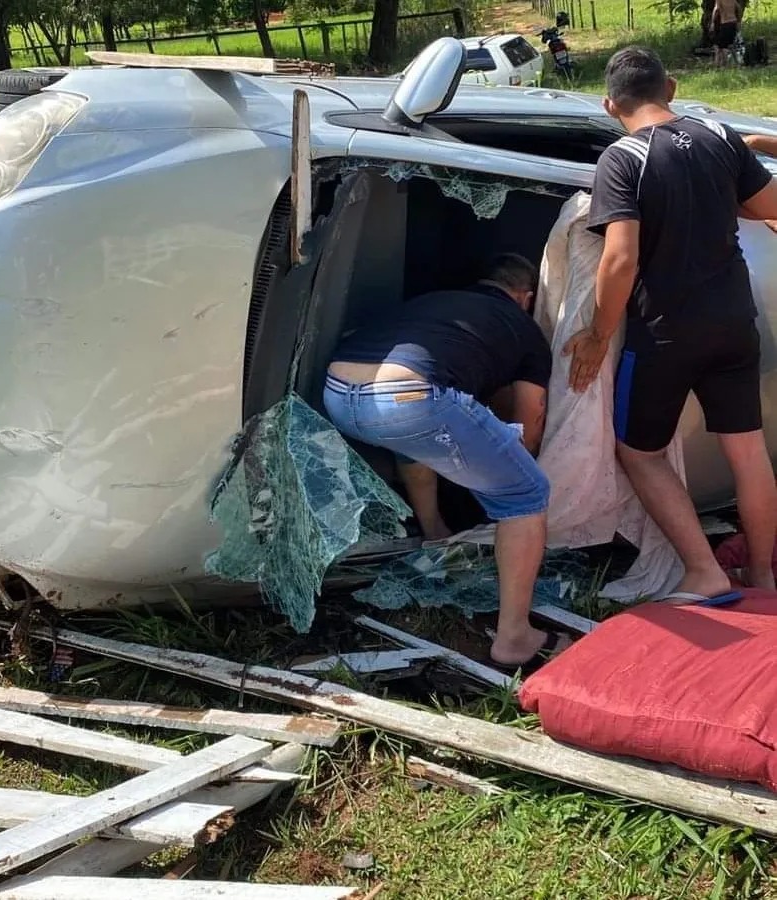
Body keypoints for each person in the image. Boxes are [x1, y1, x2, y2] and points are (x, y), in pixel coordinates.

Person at [565, 46, 777, 602]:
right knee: (748, 452)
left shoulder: (622, 158)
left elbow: (619, 259)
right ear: (673, 88)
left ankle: (703, 570)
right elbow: (769, 202)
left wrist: (597, 334)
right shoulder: (720, 138)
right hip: (735, 321)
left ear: (611, 105)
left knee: (639, 453)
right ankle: (761, 573)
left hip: (665, 334)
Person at [323, 254, 570, 671]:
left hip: (339, 393)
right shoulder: (525, 331)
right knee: (526, 493)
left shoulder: (437, 301)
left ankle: (435, 534)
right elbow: (529, 426)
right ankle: (515, 637)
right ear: (526, 297)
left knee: (418, 441)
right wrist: (504, 470)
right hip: (408, 399)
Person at [711, 0, 742, 66]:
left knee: (722, 46)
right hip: (733, 22)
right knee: (730, 44)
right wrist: (739, 21)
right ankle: (737, 63)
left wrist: (713, 23)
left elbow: (716, 9)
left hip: (725, 23)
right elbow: (739, 8)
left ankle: (724, 65)